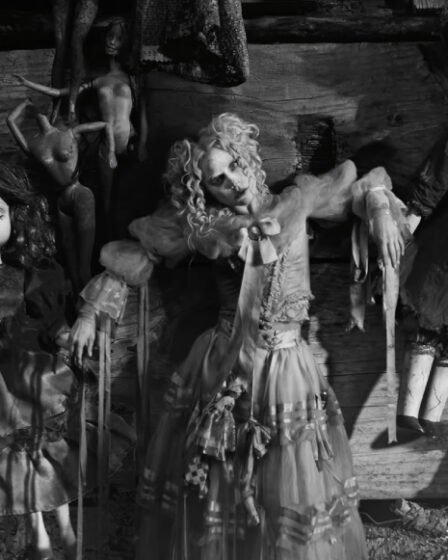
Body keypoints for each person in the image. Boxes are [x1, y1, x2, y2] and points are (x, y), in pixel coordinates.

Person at [70, 113, 407, 559]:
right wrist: (93, 309)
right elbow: (140, 253)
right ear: (204, 190)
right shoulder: (205, 227)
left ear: (248, 157)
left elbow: (361, 185)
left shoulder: (297, 202)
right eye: (217, 180)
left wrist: (380, 208)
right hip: (225, 362)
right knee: (219, 470)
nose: (232, 182)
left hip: (288, 363)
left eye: (234, 165)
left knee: (291, 474)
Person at [0, 161, 134, 560]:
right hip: (5, 390)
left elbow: (51, 321)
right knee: (18, 463)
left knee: (48, 456)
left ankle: (65, 531)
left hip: (34, 377)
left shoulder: (32, 273)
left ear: (14, 217)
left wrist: (68, 338)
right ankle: (39, 537)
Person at [16, 17, 140, 236]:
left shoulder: (132, 78)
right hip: (107, 144)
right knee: (107, 199)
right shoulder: (98, 80)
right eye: (109, 36)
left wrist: (143, 139)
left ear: (125, 43)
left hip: (128, 140)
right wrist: (28, 83)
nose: (111, 41)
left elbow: (141, 109)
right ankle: (106, 239)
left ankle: (123, 238)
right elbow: (60, 92)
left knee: (130, 194)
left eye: (118, 38)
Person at [7, 97, 116, 294]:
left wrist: (111, 152)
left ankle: (88, 305)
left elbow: (106, 125)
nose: (38, 114)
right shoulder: (34, 144)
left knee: (83, 263)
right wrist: (24, 103)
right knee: (70, 259)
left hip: (81, 194)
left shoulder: (69, 133)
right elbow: (10, 121)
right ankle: (76, 301)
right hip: (61, 200)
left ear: (50, 112)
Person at [398, 127, 448, 438]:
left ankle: (430, 416)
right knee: (427, 321)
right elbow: (431, 185)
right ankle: (410, 412)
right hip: (441, 253)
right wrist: (403, 233)